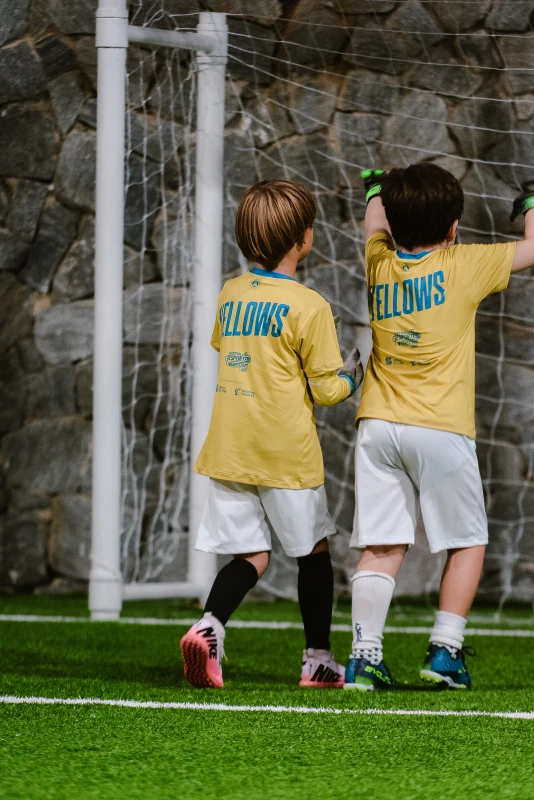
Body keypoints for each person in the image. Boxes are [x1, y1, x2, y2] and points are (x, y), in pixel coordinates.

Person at [344, 163, 534, 691]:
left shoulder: (378, 261)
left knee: (382, 544)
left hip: (378, 427)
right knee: (467, 542)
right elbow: (532, 247)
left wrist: (376, 188)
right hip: (441, 429)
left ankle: (363, 657)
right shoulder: (465, 263)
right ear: (453, 228)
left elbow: (374, 222)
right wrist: (531, 203)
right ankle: (445, 651)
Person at [180, 179, 363, 689]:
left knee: (250, 556)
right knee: (313, 553)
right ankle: (318, 661)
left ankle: (209, 626)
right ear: (304, 238)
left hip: (229, 448)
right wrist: (354, 376)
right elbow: (326, 391)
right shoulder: (310, 305)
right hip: (285, 453)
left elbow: (230, 349)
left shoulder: (230, 292)